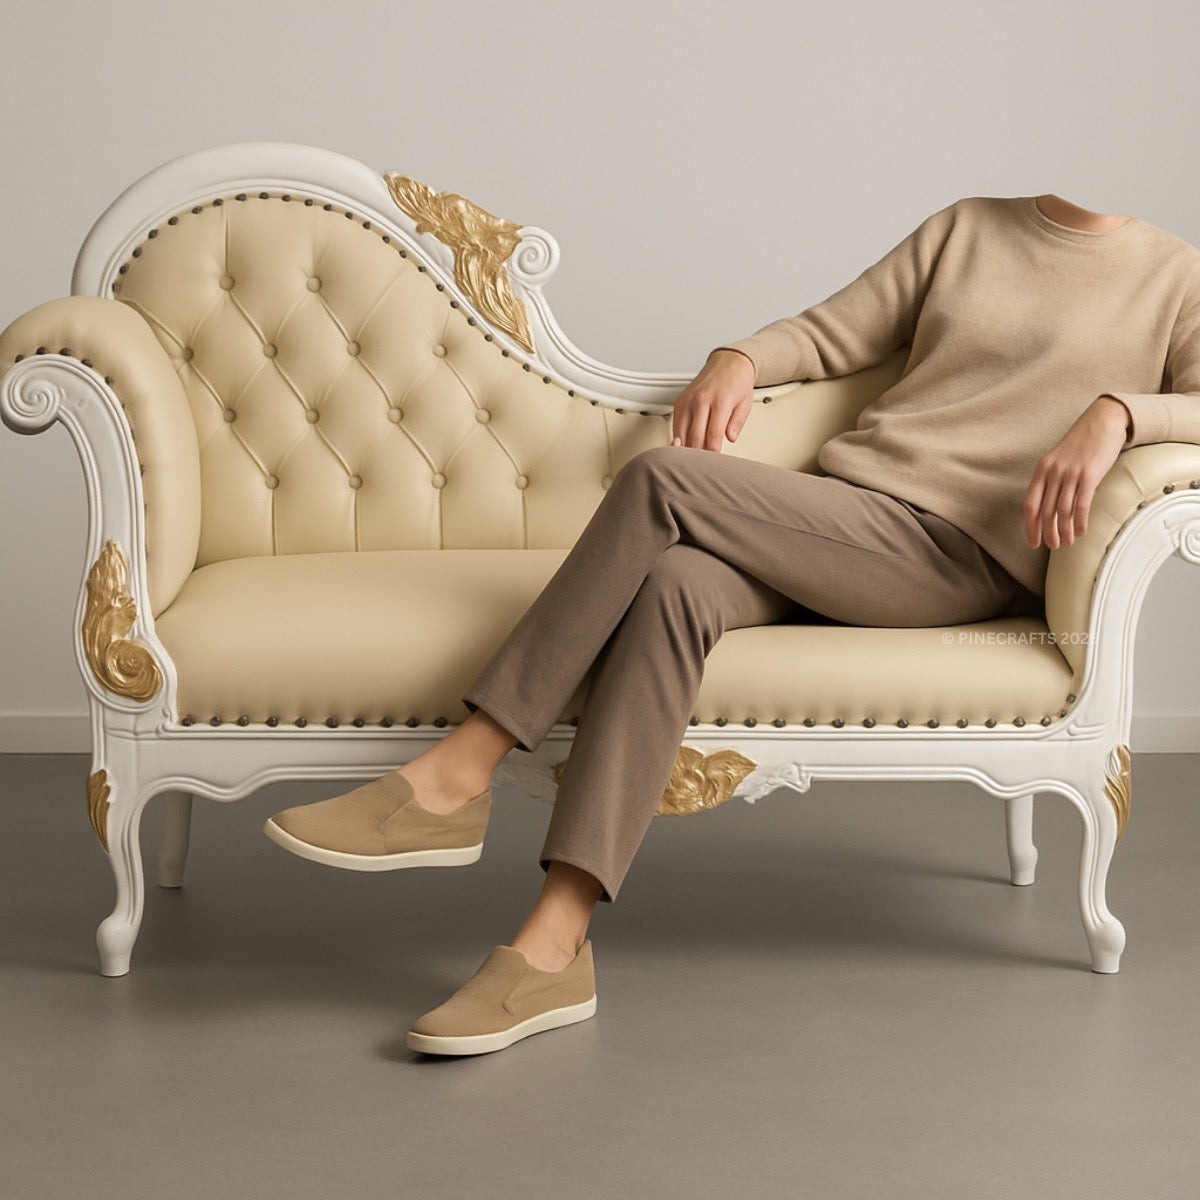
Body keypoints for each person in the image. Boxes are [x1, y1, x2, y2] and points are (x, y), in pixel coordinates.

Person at [262, 193, 1200, 1056]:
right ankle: (552, 948)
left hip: (950, 558)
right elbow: (835, 330)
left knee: (664, 480)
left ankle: (460, 771)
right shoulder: (969, 229)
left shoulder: (1173, 276)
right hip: (843, 516)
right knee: (676, 587)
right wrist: (738, 357)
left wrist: (1119, 411)